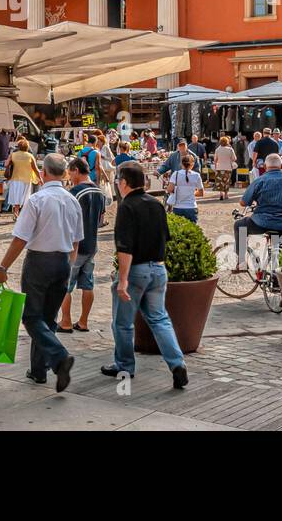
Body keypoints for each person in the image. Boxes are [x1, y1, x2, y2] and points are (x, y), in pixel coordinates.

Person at [0, 153, 82, 392]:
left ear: (43, 173)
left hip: (39, 262)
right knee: (47, 320)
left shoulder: (37, 200)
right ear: (64, 174)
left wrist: (3, 267)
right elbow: (76, 242)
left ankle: (59, 357)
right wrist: (69, 266)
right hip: (62, 262)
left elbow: (20, 238)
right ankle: (38, 370)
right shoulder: (72, 201)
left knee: (32, 317)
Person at [102, 160, 189, 389]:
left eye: (118, 181)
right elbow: (165, 239)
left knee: (123, 323)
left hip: (136, 271)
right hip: (158, 268)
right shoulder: (156, 204)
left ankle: (124, 366)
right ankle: (177, 363)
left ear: (124, 183)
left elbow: (125, 247)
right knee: (160, 319)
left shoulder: (127, 207)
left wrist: (122, 280)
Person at [58, 156, 104, 334]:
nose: (69, 176)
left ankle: (66, 321)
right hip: (92, 244)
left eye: (70, 172)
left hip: (75, 246)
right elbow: (100, 220)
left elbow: (65, 219)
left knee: (65, 285)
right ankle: (83, 321)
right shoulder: (99, 192)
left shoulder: (75, 192)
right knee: (88, 284)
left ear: (76, 170)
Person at [234, 154, 282, 263]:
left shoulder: (259, 181)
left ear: (264, 166)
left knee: (239, 225)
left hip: (263, 222)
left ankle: (241, 261)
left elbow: (243, 202)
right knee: (279, 242)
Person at [4, 138, 40, 220]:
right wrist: (40, 179)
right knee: (25, 199)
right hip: (27, 180)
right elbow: (36, 169)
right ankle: (23, 215)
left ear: (19, 147)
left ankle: (16, 213)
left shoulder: (13, 154)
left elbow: (6, 164)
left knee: (17, 198)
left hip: (15, 179)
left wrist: (11, 161)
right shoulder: (30, 156)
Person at [165, 153, 204, 223]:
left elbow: (170, 189)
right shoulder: (196, 175)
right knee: (192, 231)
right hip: (191, 207)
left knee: (178, 230)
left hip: (178, 207)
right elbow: (201, 193)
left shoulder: (175, 174)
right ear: (192, 164)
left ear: (181, 164)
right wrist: (191, 193)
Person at [212, 135, 237, 201]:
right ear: (227, 142)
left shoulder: (217, 149)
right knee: (226, 181)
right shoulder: (230, 149)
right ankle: (226, 194)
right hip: (228, 168)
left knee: (220, 181)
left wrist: (215, 167)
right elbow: (234, 158)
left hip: (219, 167)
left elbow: (215, 160)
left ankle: (221, 194)